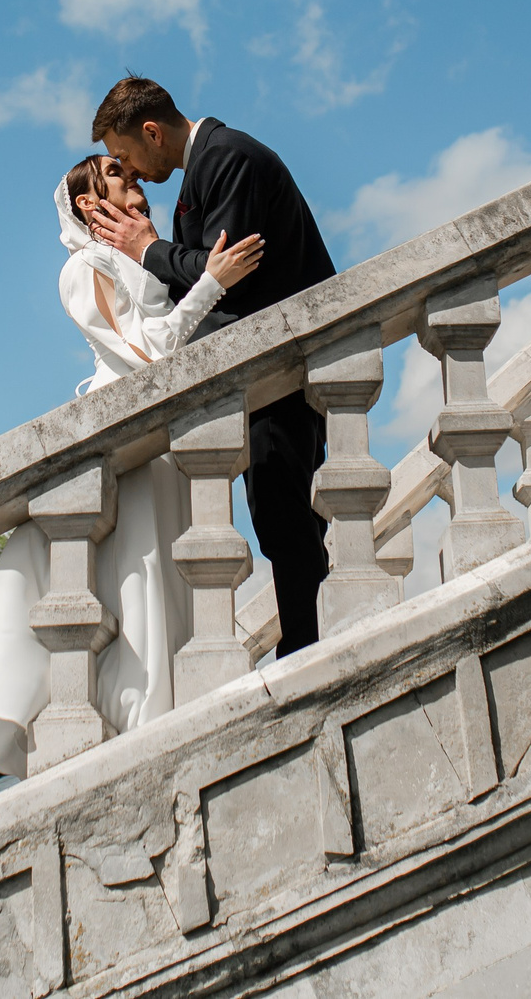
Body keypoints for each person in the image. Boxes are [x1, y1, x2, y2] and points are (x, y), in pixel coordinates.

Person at [0, 154, 264, 776]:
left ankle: (180, 720)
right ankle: (141, 728)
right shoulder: (82, 268)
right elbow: (141, 356)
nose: (135, 181)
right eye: (117, 175)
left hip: (166, 440)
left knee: (176, 579)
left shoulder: (139, 256)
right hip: (126, 443)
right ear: (90, 206)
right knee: (139, 575)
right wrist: (212, 284)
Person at [82, 76, 339, 656]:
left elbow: (229, 271)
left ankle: (307, 649)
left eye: (125, 155)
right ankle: (303, 642)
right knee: (278, 520)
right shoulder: (208, 166)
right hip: (260, 378)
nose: (133, 171)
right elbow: (208, 274)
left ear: (151, 131)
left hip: (279, 373)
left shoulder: (227, 158)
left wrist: (148, 251)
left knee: (286, 520)